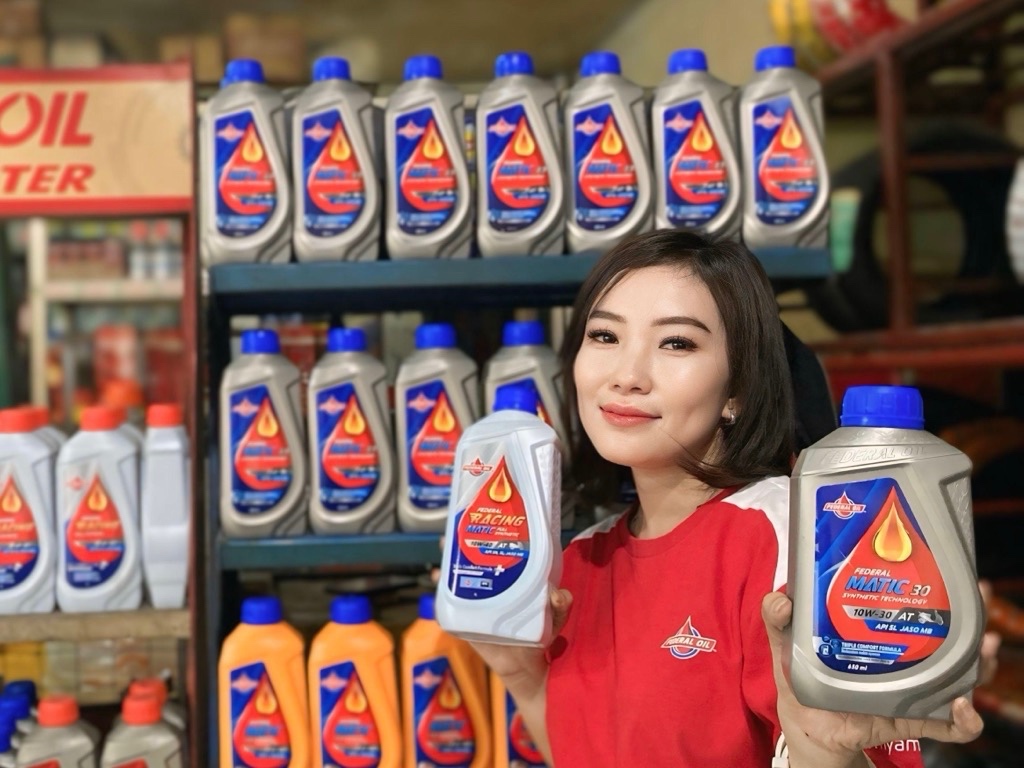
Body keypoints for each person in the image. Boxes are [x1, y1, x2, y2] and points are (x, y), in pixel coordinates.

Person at [469, 230, 987, 767]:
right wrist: (521, 675)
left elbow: (849, 746)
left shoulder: (795, 538)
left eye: (677, 343)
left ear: (737, 389)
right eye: (604, 336)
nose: (626, 376)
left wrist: (822, 750)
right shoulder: (581, 561)